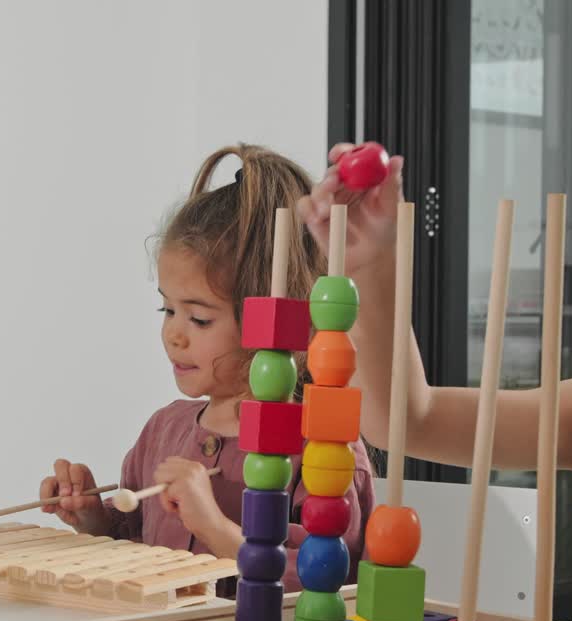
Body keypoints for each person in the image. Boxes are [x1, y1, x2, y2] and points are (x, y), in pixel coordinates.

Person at [41, 144, 375, 591]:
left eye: (199, 318)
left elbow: (330, 579)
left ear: (272, 318)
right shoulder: (161, 432)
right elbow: (138, 549)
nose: (175, 334)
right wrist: (93, 519)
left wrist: (214, 527)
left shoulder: (324, 450)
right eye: (167, 310)